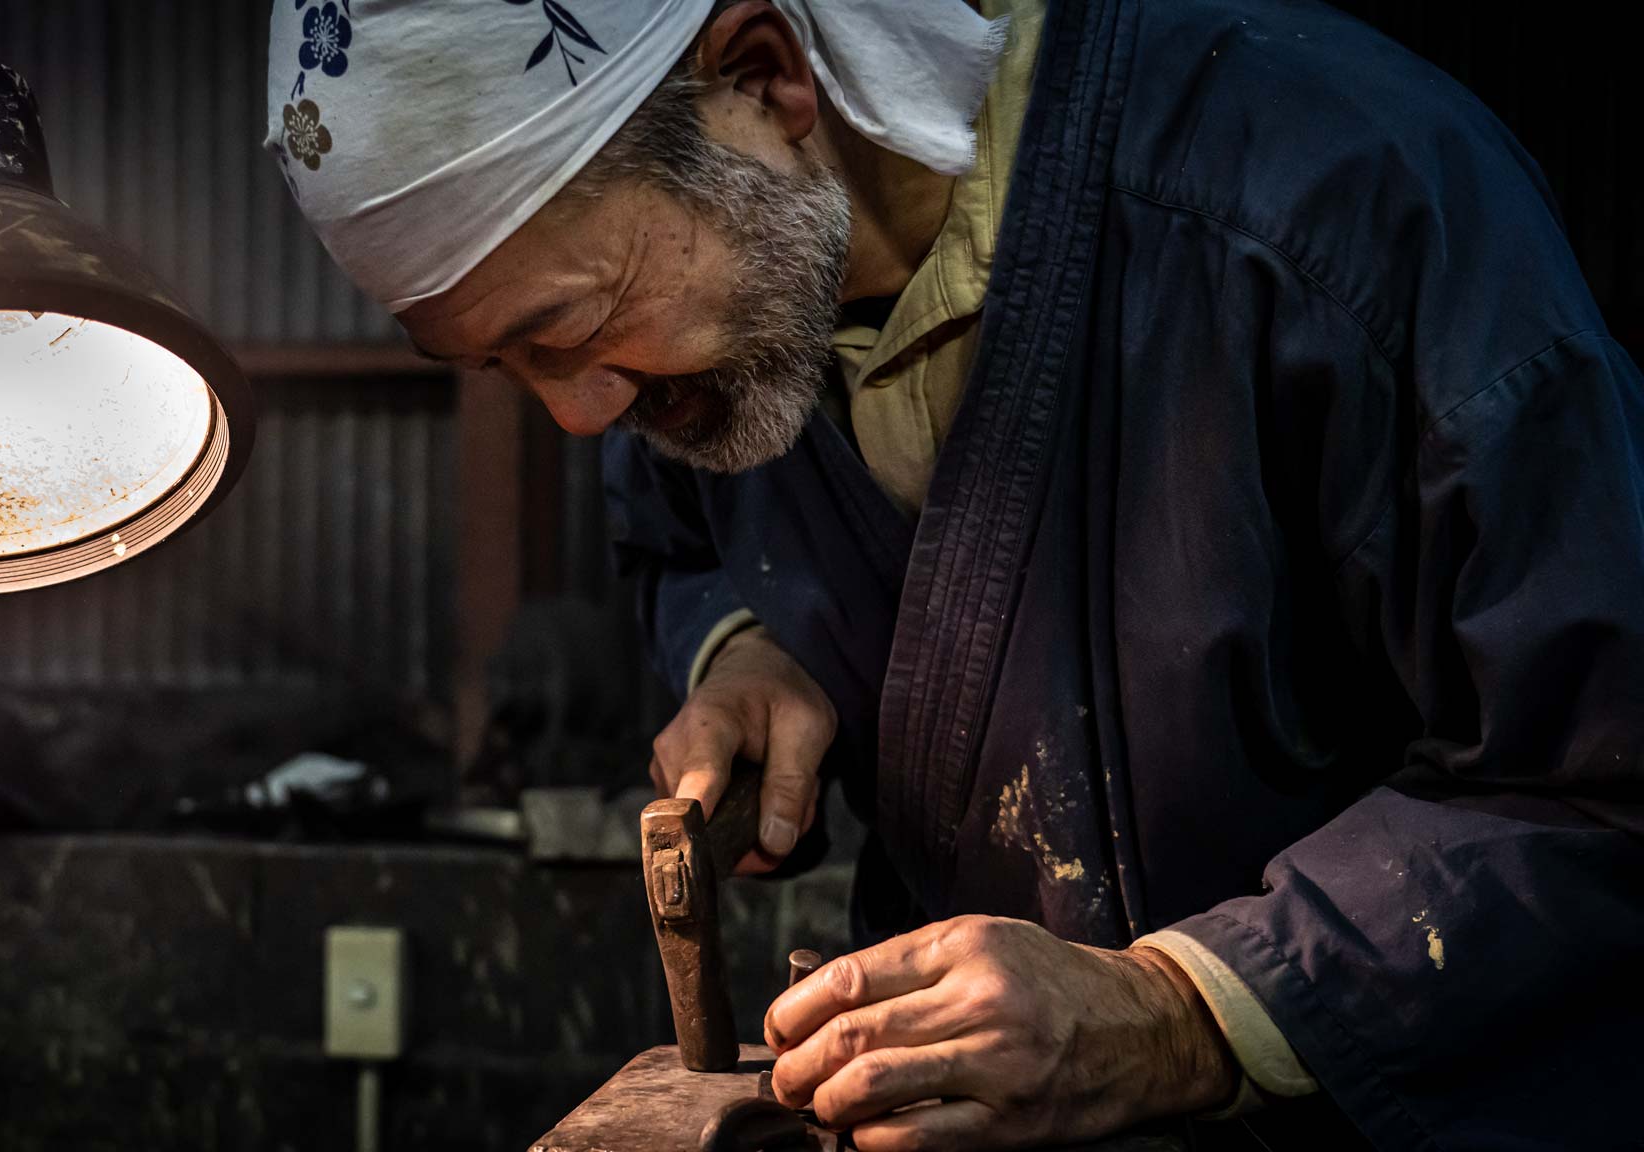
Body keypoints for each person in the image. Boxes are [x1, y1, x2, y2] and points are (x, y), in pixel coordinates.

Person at [268, 0, 1644, 1146]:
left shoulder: (1334, 202)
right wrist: (748, 644)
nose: (572, 413)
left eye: (567, 328)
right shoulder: (705, 341)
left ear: (764, 78)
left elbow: (1597, 779)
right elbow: (678, 539)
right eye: (503, 363)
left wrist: (1181, 1010)